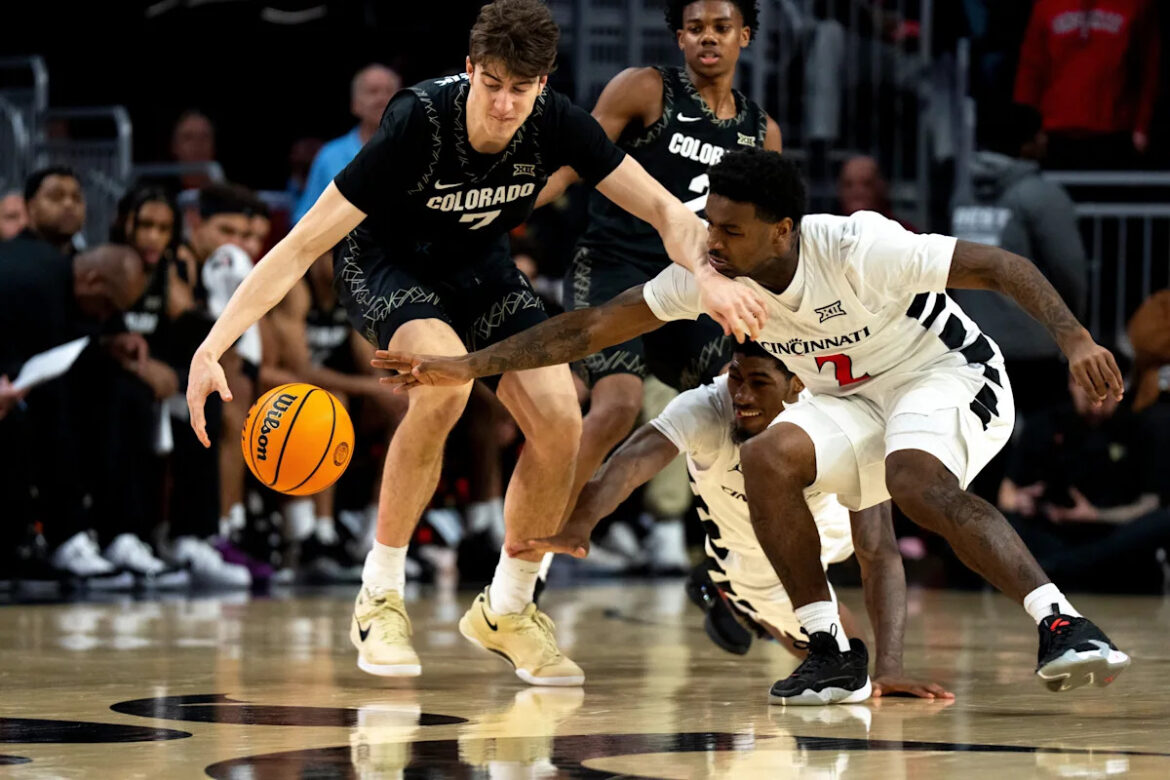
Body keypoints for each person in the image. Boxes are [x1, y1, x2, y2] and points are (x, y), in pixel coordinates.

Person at [375, 148, 1130, 703]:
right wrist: (468, 365)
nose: (712, 243)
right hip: (852, 396)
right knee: (767, 456)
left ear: (782, 231)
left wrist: (1075, 341)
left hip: (947, 373)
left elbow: (1000, 267)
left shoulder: (858, 247)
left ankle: (1062, 625)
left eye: (730, 231)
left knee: (909, 479)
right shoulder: (715, 278)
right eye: (710, 224)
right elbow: (589, 328)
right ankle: (830, 650)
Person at [186, 0, 764, 686]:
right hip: (388, 266)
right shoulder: (418, 121)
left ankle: (508, 608)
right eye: (491, 85)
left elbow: (668, 212)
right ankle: (380, 594)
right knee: (447, 387)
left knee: (560, 415)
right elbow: (301, 242)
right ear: (470, 69)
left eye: (520, 89)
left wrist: (709, 279)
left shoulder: (557, 122)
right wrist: (212, 346)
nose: (503, 105)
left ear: (542, 83)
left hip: (478, 268)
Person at [514, 341, 952, 701]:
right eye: (736, 378)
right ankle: (738, 599)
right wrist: (581, 522)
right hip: (756, 552)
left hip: (829, 519)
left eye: (759, 383)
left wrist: (891, 668)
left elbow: (878, 550)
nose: (741, 396)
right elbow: (630, 463)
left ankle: (734, 602)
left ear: (798, 384)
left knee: (852, 657)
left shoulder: (842, 418)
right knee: (833, 653)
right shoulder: (706, 406)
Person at [536, 0, 782, 571]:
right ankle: (536, 545)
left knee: (739, 405)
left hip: (696, 283)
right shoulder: (644, 89)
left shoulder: (761, 131)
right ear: (679, 38)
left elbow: (765, 233)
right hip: (616, 265)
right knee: (618, 404)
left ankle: (734, 562)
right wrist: (508, 208)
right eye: (695, 28)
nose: (708, 38)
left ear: (744, 35)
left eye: (721, 27)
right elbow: (571, 164)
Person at [0, 242, 146, 585]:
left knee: (109, 391)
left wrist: (108, 342)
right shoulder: (32, 285)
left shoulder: (56, 277)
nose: (104, 318)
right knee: (41, 413)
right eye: (107, 307)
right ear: (92, 280)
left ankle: (97, 533)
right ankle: (37, 542)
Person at [951, 102, 1087, 416]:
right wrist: (1072, 327)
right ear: (1025, 143)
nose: (1045, 140)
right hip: (1034, 348)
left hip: (972, 346)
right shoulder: (1041, 196)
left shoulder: (962, 195)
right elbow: (1069, 270)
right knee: (1041, 439)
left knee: (979, 440)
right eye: (1039, 134)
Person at [1002, 374, 1170, 593]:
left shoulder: (1138, 427)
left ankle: (1062, 567)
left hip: (1111, 533)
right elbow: (1006, 495)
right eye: (1090, 388)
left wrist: (1095, 515)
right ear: (1072, 383)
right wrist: (1022, 501)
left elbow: (1150, 504)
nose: (1098, 399)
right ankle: (1068, 566)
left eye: (1106, 389)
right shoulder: (1045, 424)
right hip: (1052, 530)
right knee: (996, 524)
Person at [1014, 0, 1161, 169]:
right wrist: (1025, 131)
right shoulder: (1045, 4)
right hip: (1053, 133)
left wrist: (1142, 126)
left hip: (1115, 132)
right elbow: (1031, 70)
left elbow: (1150, 70)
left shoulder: (1138, 4)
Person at [292, 64, 402, 223]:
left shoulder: (418, 149)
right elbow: (305, 219)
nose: (382, 99)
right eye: (373, 91)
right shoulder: (329, 156)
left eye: (389, 91)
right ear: (355, 104)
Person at [837, 155, 915, 232]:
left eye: (866, 184)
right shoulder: (832, 231)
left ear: (882, 187)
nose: (857, 192)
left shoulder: (903, 232)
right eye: (848, 185)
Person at [24, 166, 85, 257]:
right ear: (31, 207)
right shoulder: (8, 259)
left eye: (77, 198)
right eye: (56, 197)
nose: (69, 204)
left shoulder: (85, 261)